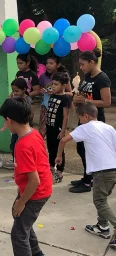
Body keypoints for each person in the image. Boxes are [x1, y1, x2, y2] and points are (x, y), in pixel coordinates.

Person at [56, 103, 116, 246]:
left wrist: (59, 156)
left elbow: (64, 139)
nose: (79, 120)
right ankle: (102, 226)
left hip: (102, 171)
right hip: (113, 169)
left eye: (79, 117)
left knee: (99, 201)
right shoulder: (108, 127)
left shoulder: (85, 127)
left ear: (86, 116)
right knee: (103, 199)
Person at [0, 98, 52, 256]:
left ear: (9, 120)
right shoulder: (34, 133)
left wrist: (22, 201)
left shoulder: (22, 145)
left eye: (4, 120)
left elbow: (34, 180)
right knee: (23, 224)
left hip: (36, 192)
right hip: (38, 188)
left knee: (19, 234)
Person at [70, 48, 111, 193]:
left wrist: (86, 100)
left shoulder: (102, 78)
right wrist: (77, 99)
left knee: (89, 150)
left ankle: (89, 181)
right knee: (81, 148)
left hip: (95, 119)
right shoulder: (87, 76)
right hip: (83, 118)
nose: (81, 67)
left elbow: (107, 102)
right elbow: (85, 94)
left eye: (82, 64)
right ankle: (87, 177)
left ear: (91, 62)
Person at [38, 55, 73, 137]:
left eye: (51, 63)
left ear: (58, 65)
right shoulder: (43, 76)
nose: (48, 65)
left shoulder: (63, 77)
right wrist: (43, 91)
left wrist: (55, 93)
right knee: (42, 131)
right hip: (45, 107)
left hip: (58, 108)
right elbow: (40, 90)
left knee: (55, 132)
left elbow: (70, 93)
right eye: (47, 63)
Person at [46, 73, 71, 184]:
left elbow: (66, 116)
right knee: (50, 148)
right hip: (49, 127)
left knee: (59, 149)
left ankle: (59, 171)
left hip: (58, 128)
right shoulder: (52, 96)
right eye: (53, 84)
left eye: (56, 84)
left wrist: (63, 131)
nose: (53, 86)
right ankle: (51, 168)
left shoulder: (65, 99)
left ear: (64, 85)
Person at [7, 78, 34, 169]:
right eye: (13, 90)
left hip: (24, 127)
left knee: (21, 146)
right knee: (13, 145)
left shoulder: (27, 100)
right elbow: (7, 101)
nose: (14, 93)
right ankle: (16, 164)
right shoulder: (15, 98)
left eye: (17, 91)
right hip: (16, 127)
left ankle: (21, 165)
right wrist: (12, 94)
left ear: (24, 89)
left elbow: (31, 114)